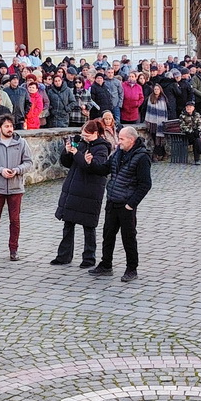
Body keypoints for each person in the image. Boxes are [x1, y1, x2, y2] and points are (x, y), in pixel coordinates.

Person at [92, 125, 152, 283]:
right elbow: (105, 169)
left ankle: (132, 269)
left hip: (126, 204)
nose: (118, 142)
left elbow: (145, 184)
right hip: (113, 200)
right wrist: (91, 164)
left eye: (122, 139)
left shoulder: (142, 157)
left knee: (129, 237)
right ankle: (106, 264)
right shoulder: (118, 153)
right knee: (108, 234)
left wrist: (131, 204)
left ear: (132, 140)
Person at [52, 118, 114, 268]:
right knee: (68, 223)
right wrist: (67, 152)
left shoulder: (102, 148)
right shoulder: (81, 143)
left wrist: (78, 155)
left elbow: (94, 168)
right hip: (73, 189)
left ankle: (89, 258)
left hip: (90, 191)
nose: (84, 137)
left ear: (96, 134)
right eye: (83, 135)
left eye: (87, 135)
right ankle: (63, 256)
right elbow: (67, 163)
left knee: (88, 226)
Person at [0, 114, 31, 262]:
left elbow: (28, 162)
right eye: (6, 126)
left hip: (16, 188)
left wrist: (17, 170)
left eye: (11, 126)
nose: (10, 129)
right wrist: (0, 169)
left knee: (15, 220)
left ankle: (13, 250)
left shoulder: (21, 143)